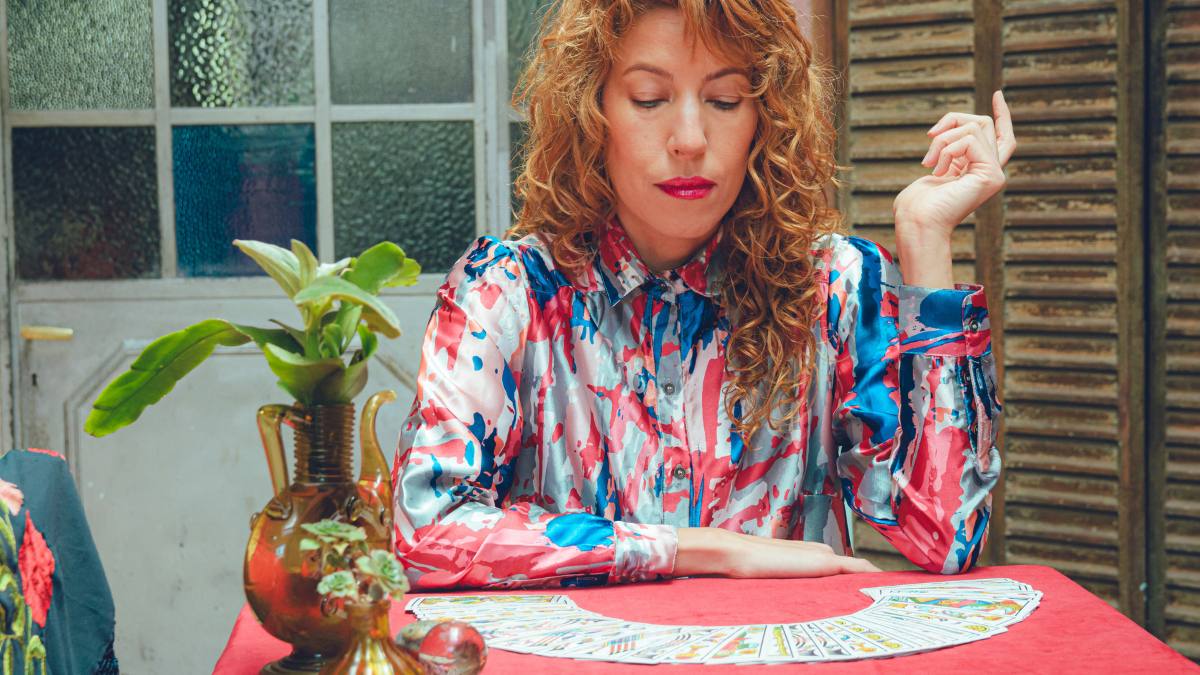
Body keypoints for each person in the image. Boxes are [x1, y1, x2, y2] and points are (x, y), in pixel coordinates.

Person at [390, 0, 1014, 590]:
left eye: (723, 99)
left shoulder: (834, 286)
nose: (689, 137)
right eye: (649, 98)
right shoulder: (509, 291)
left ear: (762, 119)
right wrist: (707, 549)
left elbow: (945, 535)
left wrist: (926, 240)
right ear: (591, 112)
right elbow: (427, 529)